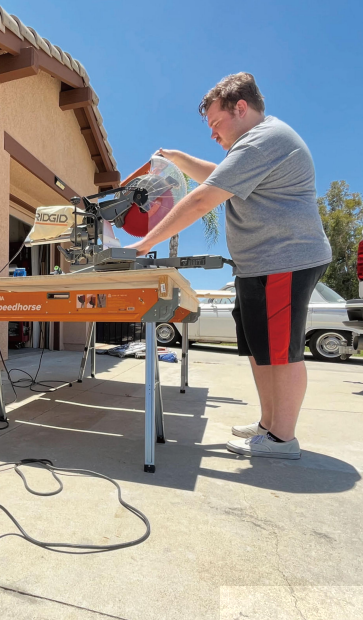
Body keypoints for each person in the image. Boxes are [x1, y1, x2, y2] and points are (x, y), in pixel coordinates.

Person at [128, 72, 332, 459]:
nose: (213, 133)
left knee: (281, 351)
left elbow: (203, 199)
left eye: (216, 122)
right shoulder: (255, 147)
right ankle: (270, 424)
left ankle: (283, 439)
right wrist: (176, 159)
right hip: (258, 265)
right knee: (260, 349)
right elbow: (215, 176)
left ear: (241, 108)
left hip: (284, 260)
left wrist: (144, 245)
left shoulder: (264, 140)